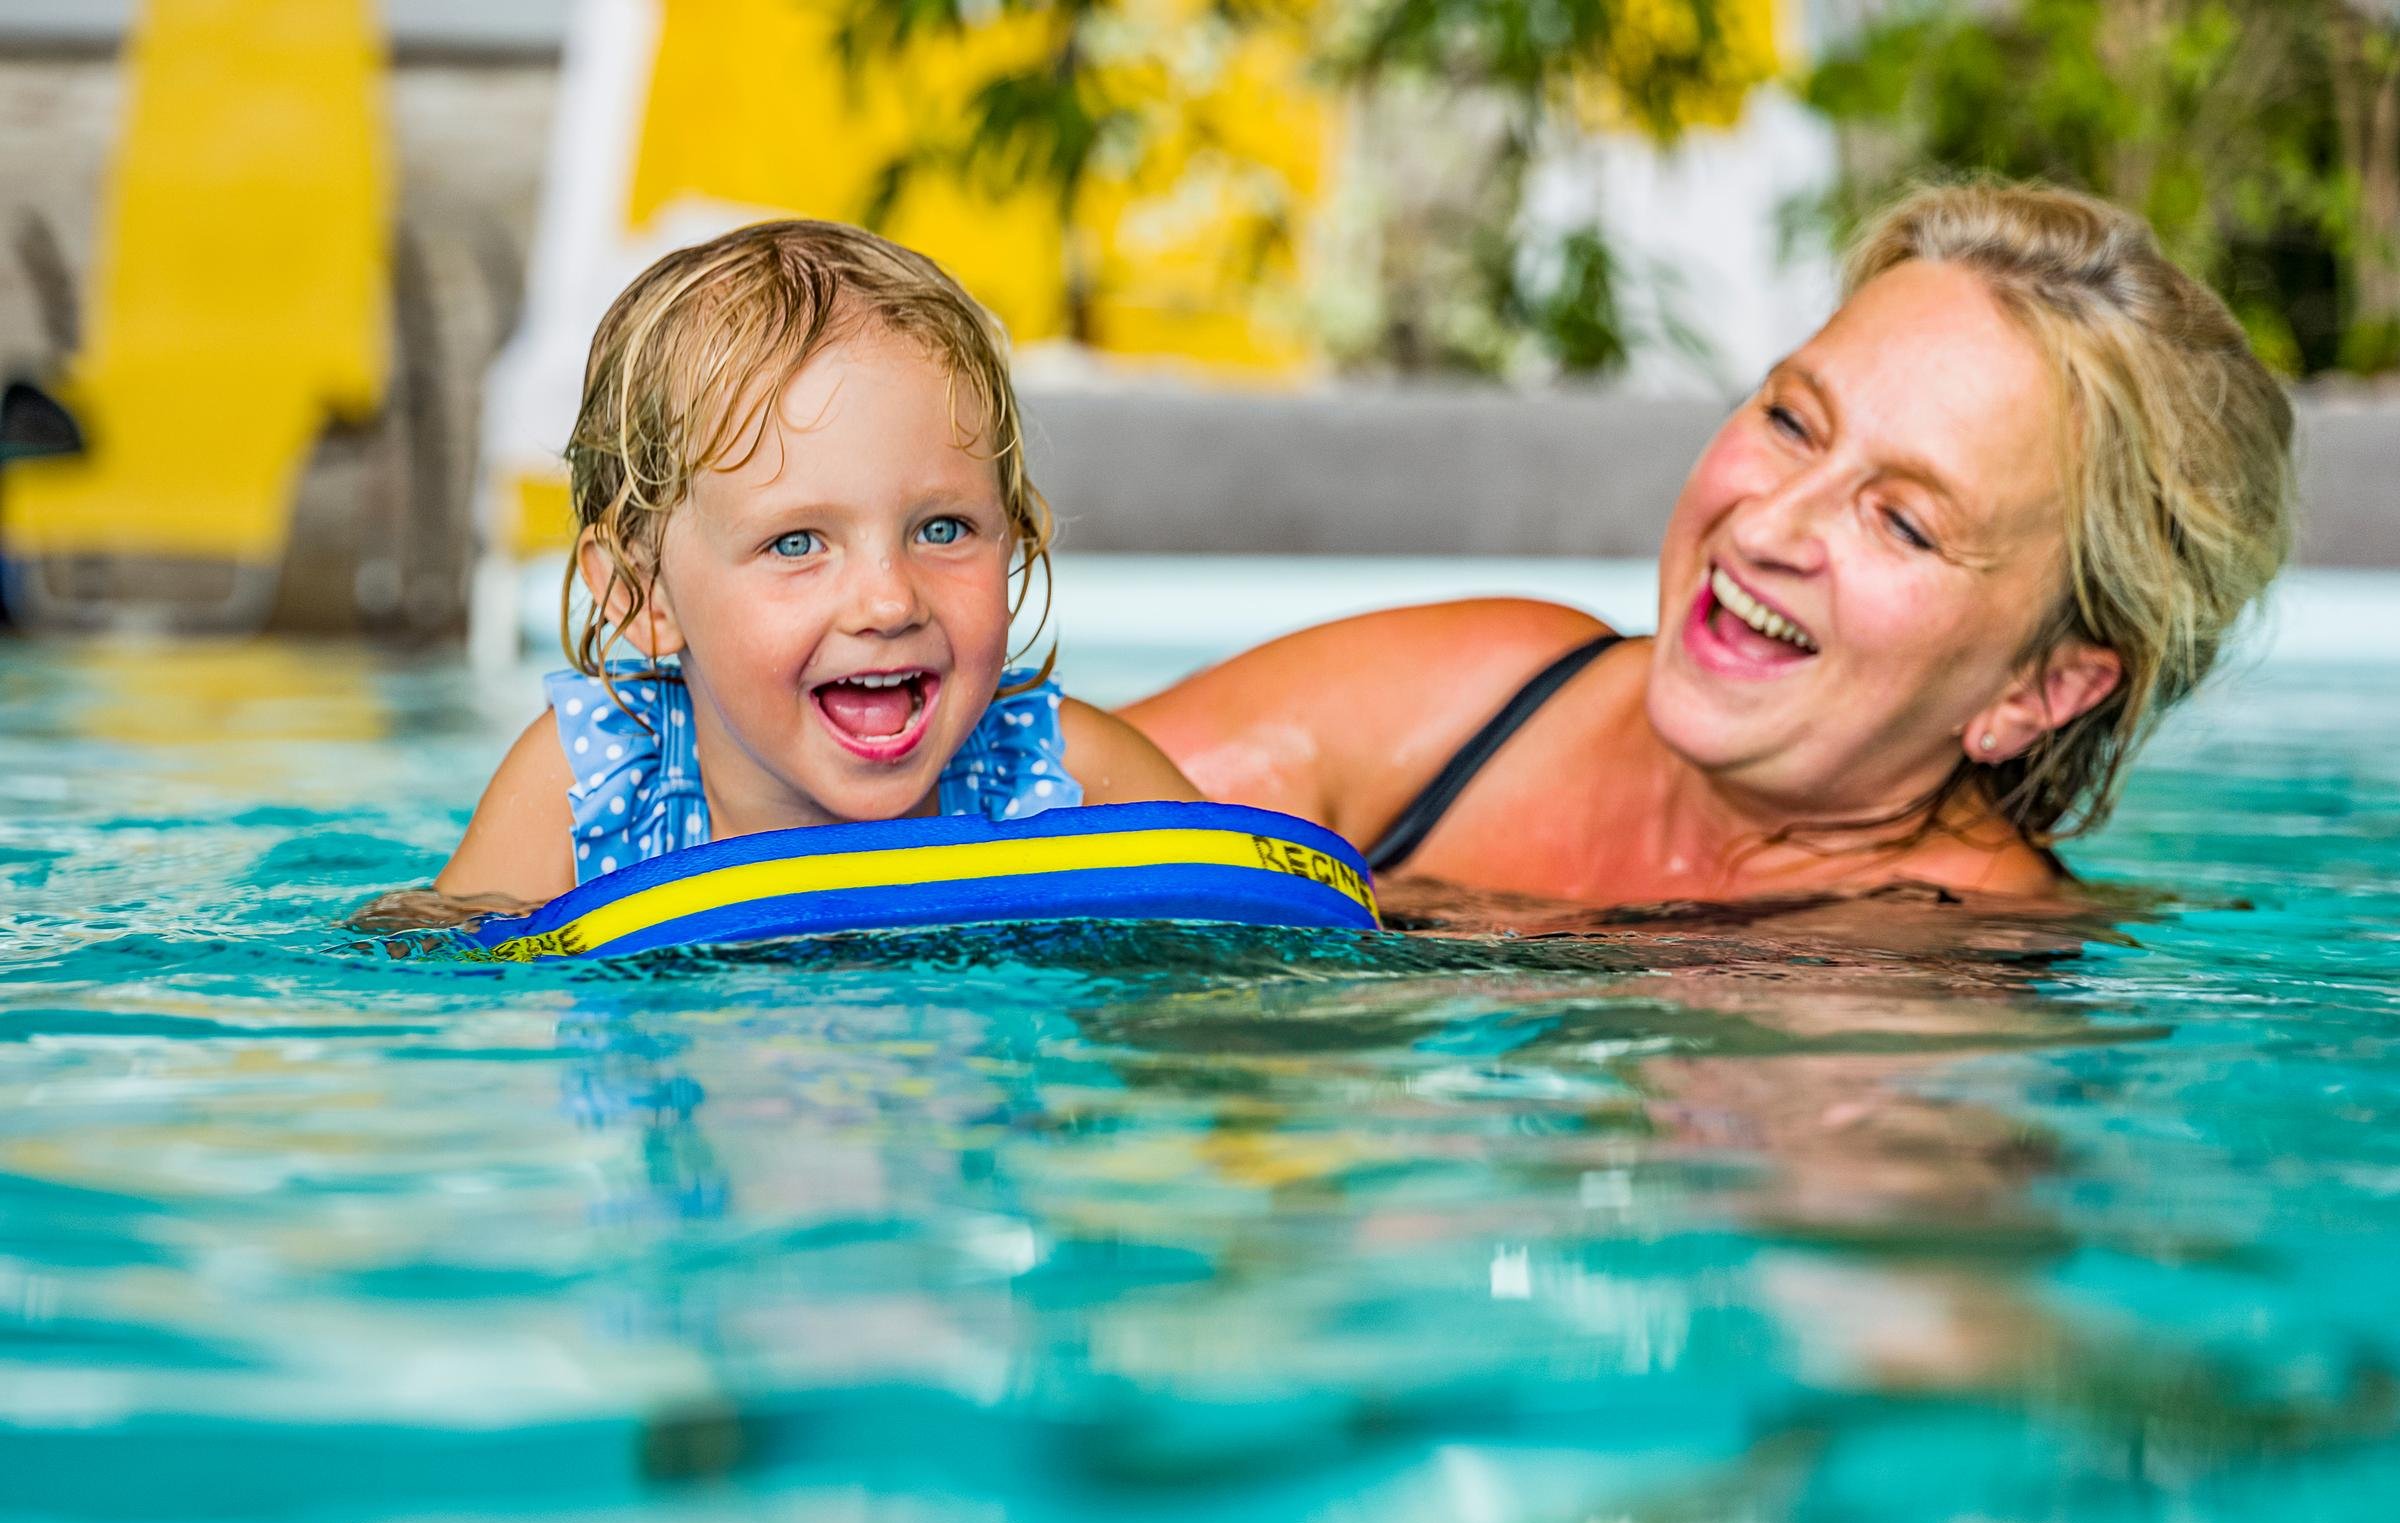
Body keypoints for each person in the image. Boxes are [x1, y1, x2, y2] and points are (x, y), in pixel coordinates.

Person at [1124, 181, 2295, 906]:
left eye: (1902, 519)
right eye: (1792, 419)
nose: (1772, 524)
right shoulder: (1483, 690)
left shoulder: (1939, 1004)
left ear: (2043, 688)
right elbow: (1000, 822)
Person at [437, 219, 1193, 905]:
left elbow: (1238, 951)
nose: (891, 603)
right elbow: (434, 972)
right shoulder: (592, 787)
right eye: (796, 543)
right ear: (645, 596)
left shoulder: (1064, 779)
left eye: (942, 529)